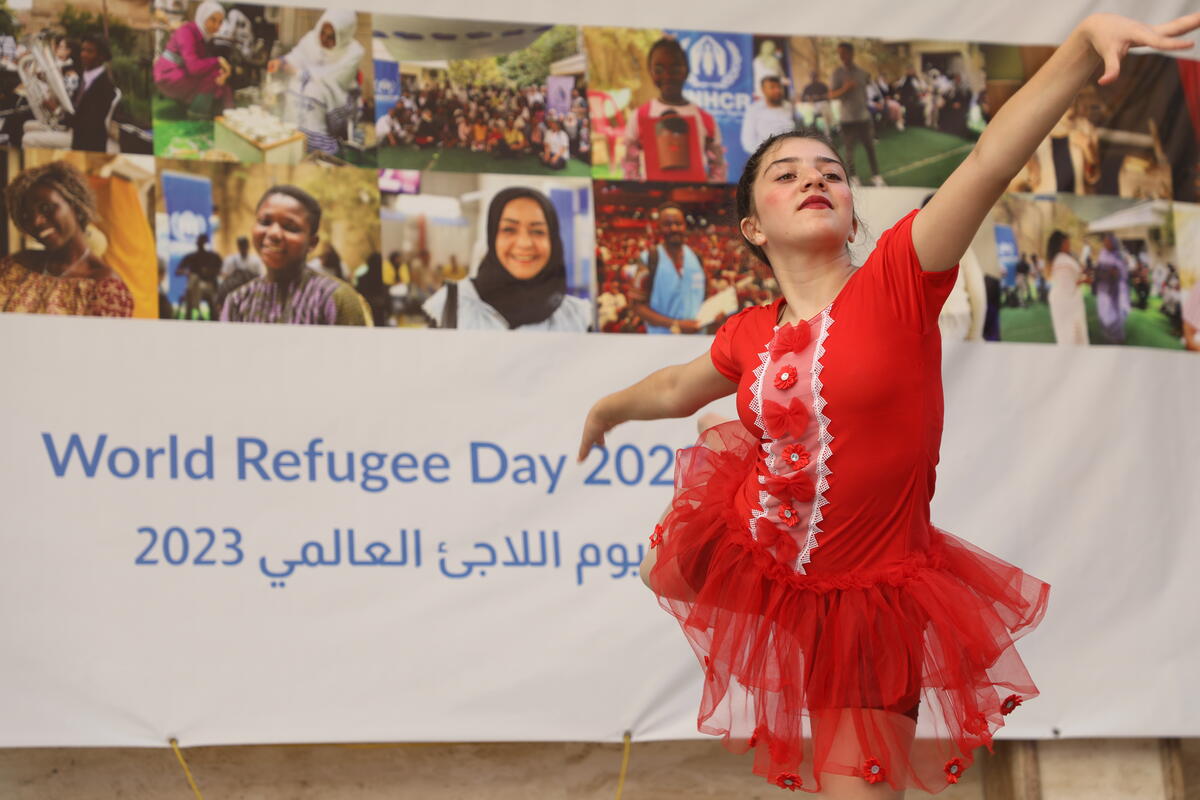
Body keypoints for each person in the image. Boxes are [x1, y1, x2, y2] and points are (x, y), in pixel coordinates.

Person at [578, 13, 1197, 796]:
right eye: (787, 172)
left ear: (850, 207)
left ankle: (745, 429)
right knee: (659, 564)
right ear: (753, 227)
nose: (813, 178)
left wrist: (1079, 48)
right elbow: (672, 385)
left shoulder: (900, 278)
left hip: (869, 600)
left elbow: (990, 156)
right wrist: (607, 409)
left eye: (830, 171)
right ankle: (745, 434)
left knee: (859, 789)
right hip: (760, 547)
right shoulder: (749, 331)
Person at [422, 187, 590, 331]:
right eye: (509, 229)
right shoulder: (452, 306)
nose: (524, 243)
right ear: (492, 237)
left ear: (553, 240)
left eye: (538, 231)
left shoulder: (579, 317)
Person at [221, 185, 370, 326]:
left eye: (290, 227)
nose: (274, 233)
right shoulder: (237, 301)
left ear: (312, 243)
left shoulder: (336, 298)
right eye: (265, 222)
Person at [0, 161, 132, 316]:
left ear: (75, 206)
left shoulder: (105, 288)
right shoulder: (15, 266)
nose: (36, 221)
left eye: (46, 208)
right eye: (26, 216)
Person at [622, 37, 726, 183]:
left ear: (686, 70)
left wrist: (708, 192)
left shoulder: (704, 119)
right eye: (659, 70)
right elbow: (630, 165)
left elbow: (718, 167)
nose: (667, 75)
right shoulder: (640, 116)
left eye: (675, 69)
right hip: (653, 200)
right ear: (650, 72)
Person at [270, 9, 364, 154]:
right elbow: (297, 56)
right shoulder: (311, 39)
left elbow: (333, 79)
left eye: (332, 36)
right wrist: (281, 62)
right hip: (310, 88)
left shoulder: (354, 52)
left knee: (313, 92)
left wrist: (299, 73)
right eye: (322, 33)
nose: (324, 40)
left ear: (344, 35)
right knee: (296, 86)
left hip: (340, 97)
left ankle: (320, 147)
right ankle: (293, 136)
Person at [24, 33, 117, 153]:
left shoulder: (104, 85)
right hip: (75, 130)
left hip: (85, 140)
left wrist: (56, 109)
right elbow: (74, 106)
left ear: (101, 56)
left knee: (29, 139)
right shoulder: (87, 76)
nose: (83, 54)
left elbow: (87, 123)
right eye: (83, 50)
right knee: (27, 127)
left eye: (89, 51)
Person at [628, 203, 709, 334]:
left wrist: (713, 315)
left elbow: (704, 297)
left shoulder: (697, 258)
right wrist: (676, 324)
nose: (674, 228)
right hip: (662, 340)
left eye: (678, 223)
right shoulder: (648, 259)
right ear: (659, 228)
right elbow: (637, 306)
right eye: (667, 224)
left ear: (685, 226)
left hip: (696, 337)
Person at [153, 0, 232, 117]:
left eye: (220, 22)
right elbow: (194, 68)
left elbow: (203, 64)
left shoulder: (203, 35)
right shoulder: (187, 32)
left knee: (220, 80)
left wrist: (222, 73)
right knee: (213, 78)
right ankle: (197, 115)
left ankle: (228, 116)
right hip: (167, 75)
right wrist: (218, 61)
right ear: (203, 17)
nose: (217, 26)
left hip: (180, 71)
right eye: (213, 20)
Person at [830, 41, 885, 187]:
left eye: (844, 53)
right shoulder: (837, 73)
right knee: (849, 152)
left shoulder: (862, 73)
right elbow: (832, 95)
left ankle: (876, 176)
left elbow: (871, 90)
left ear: (851, 53)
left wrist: (876, 102)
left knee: (870, 148)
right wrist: (845, 88)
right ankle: (854, 177)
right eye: (840, 54)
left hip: (863, 117)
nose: (842, 56)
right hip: (847, 119)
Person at [740, 75, 794, 155]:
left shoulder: (789, 107)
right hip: (764, 157)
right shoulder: (754, 110)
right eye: (772, 87)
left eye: (779, 87)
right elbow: (748, 142)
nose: (777, 90)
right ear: (763, 90)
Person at [1094, 232, 1131, 344]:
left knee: (1114, 314)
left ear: (1113, 242)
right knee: (1103, 312)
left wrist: (1116, 272)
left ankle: (1117, 338)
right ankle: (1107, 336)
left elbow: (1123, 273)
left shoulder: (1119, 256)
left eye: (1109, 241)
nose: (1106, 243)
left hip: (1115, 291)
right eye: (1105, 241)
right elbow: (1098, 270)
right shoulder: (1102, 254)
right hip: (1103, 289)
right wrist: (1105, 271)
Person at [174, 233, 222, 319]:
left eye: (203, 243)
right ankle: (197, 312)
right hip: (194, 287)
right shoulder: (191, 257)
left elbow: (220, 271)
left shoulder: (213, 257)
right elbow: (178, 271)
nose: (201, 245)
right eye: (200, 243)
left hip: (210, 286)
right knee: (193, 281)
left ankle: (197, 313)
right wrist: (187, 273)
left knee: (192, 289)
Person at [799, 71, 835, 136]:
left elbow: (828, 96)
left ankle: (828, 134)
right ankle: (811, 133)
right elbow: (803, 99)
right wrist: (809, 98)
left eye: (815, 76)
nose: (814, 78)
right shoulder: (808, 87)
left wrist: (820, 97)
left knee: (825, 111)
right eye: (812, 76)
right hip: (812, 106)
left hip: (822, 104)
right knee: (809, 113)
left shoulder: (822, 86)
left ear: (817, 77)